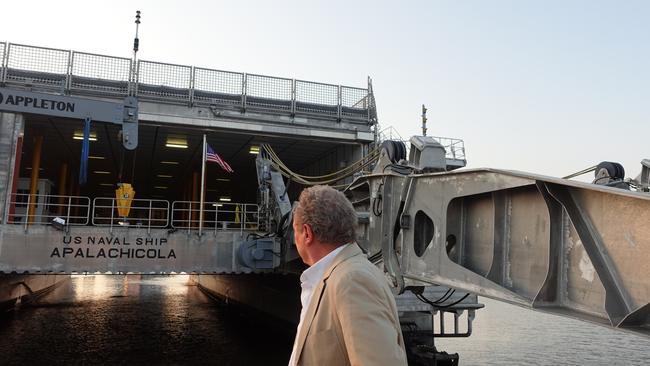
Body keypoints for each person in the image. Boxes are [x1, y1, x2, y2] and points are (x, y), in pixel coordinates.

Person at [288, 185, 407, 366]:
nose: (293, 238)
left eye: (294, 231)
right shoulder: (337, 275)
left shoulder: (352, 280)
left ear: (307, 233)